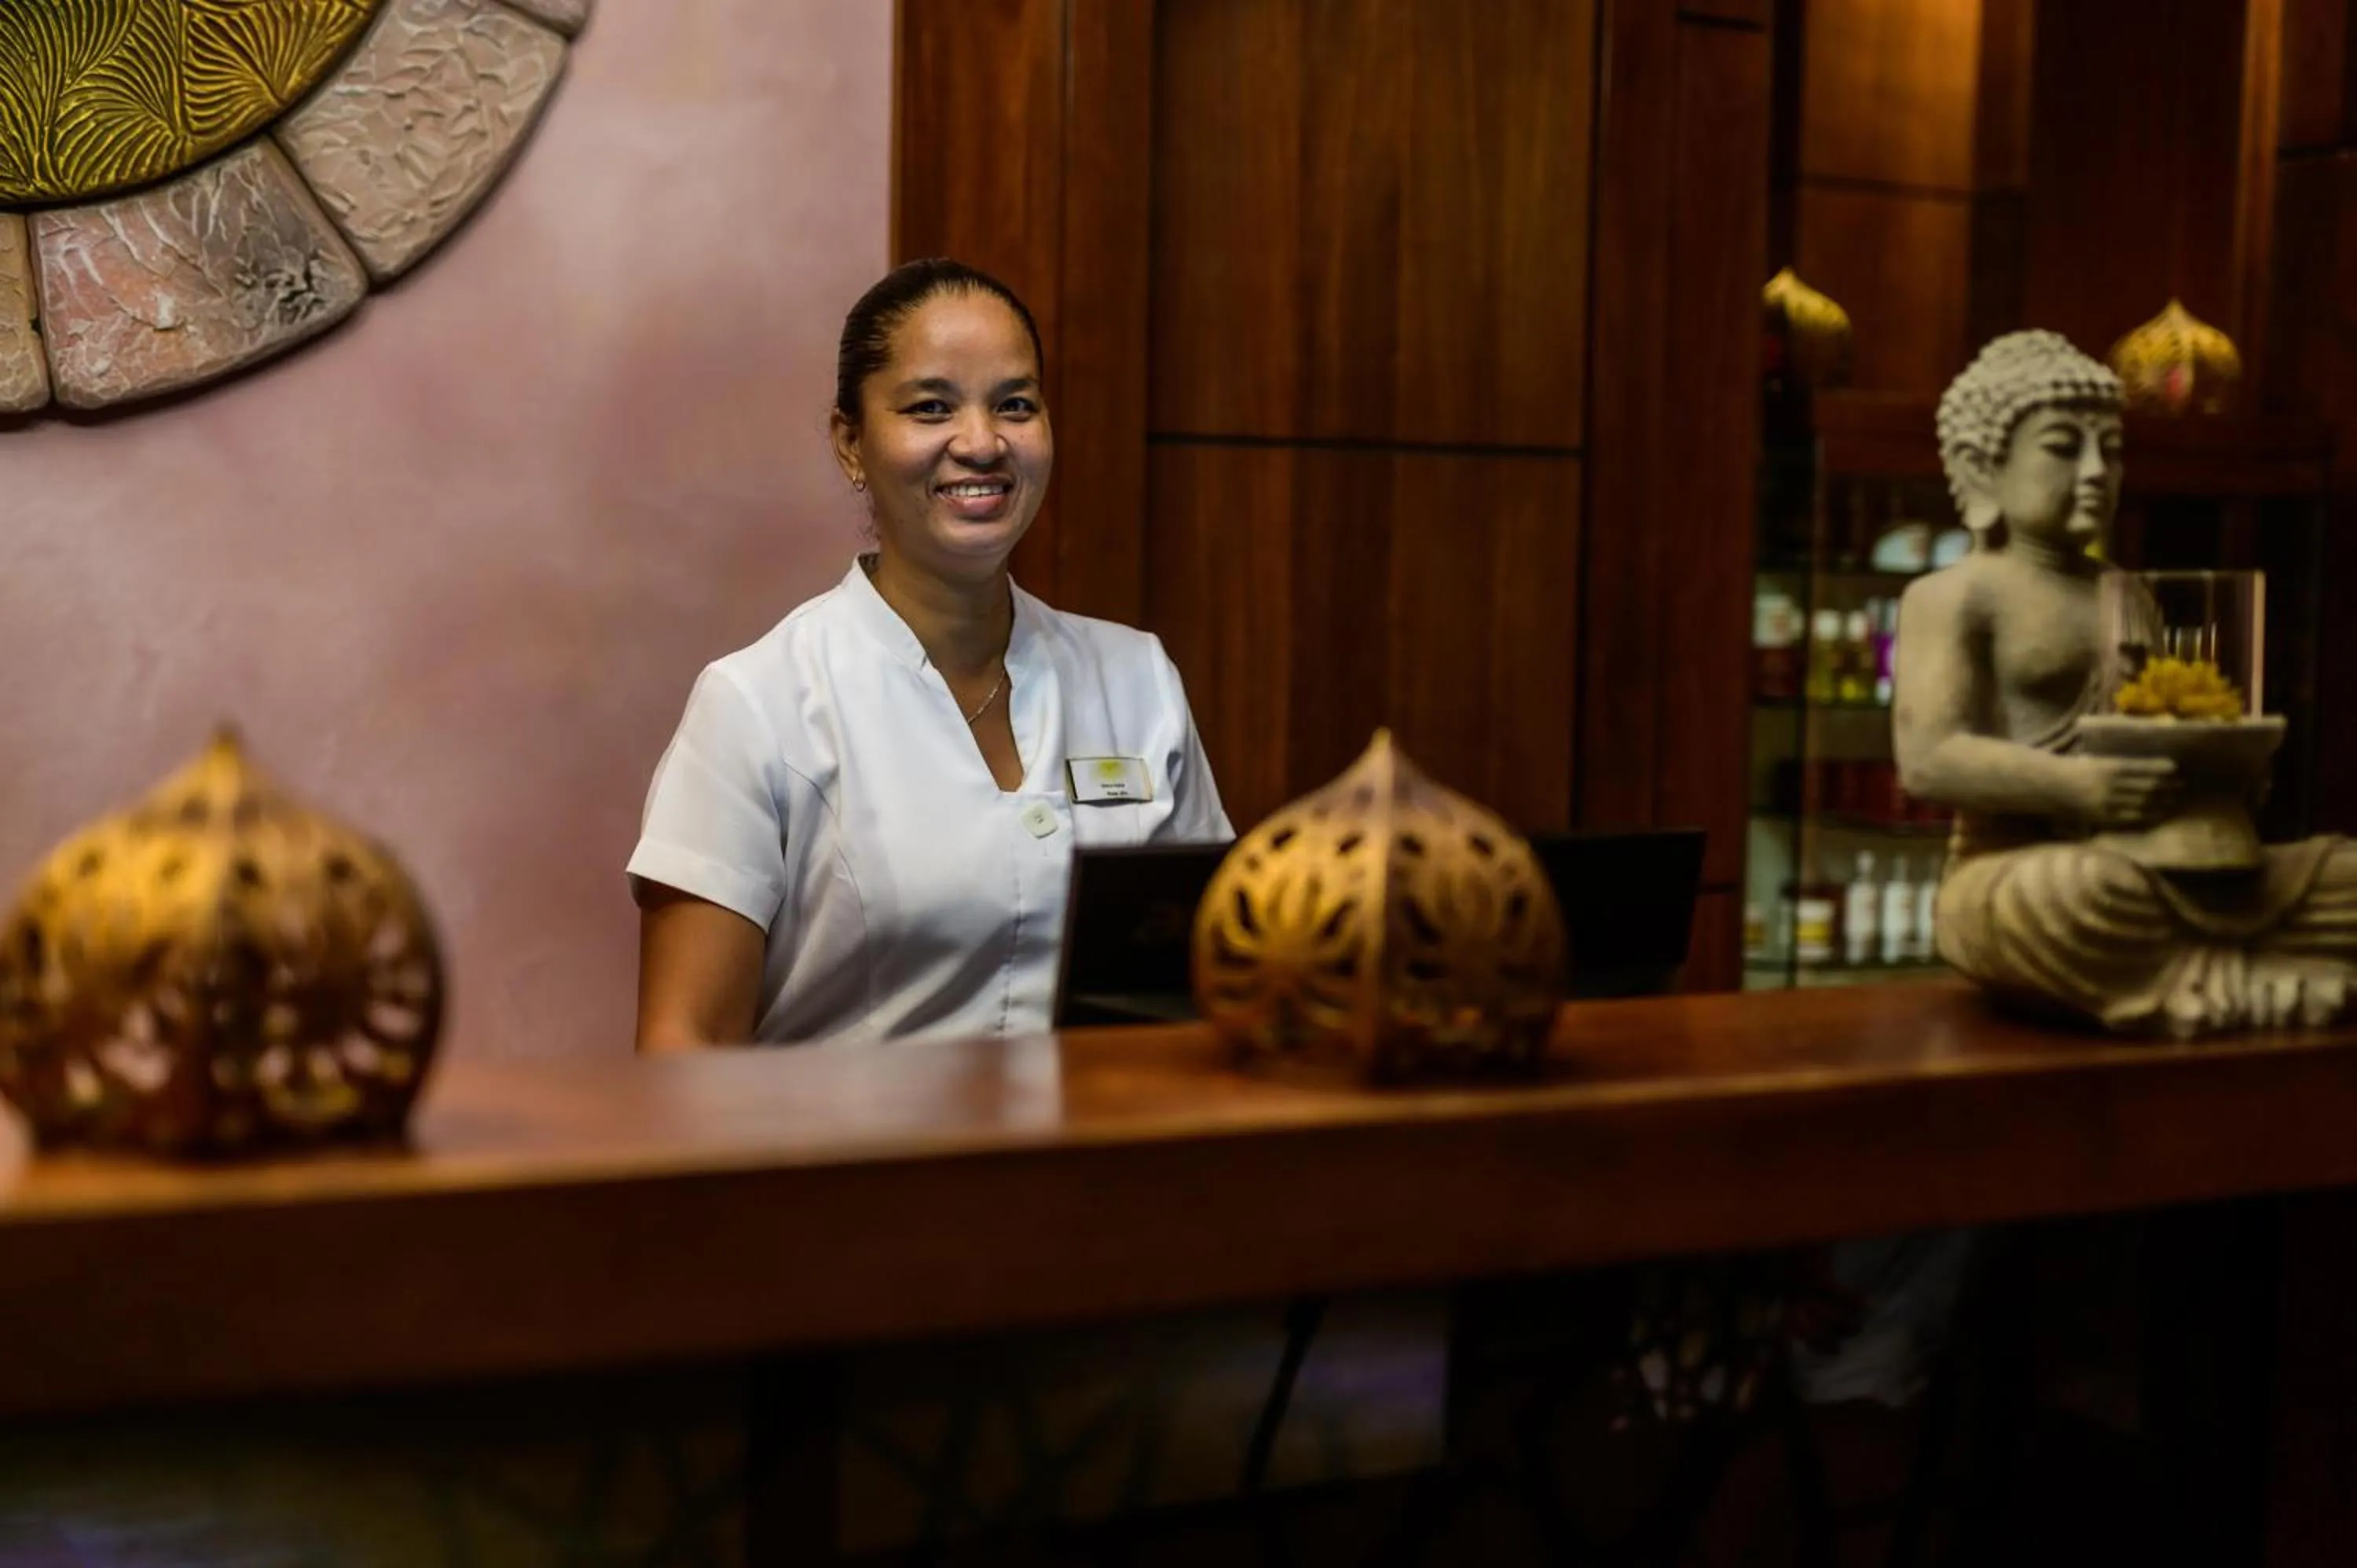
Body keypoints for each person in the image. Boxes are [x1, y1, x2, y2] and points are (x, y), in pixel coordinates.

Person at [629, 258, 1231, 1051]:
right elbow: (686, 1050)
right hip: (848, 1172)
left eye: (1015, 404)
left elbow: (1211, 986)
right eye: (930, 407)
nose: (982, 442)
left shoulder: (1138, 680)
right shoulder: (758, 705)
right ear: (852, 443)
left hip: (1092, 1167)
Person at [1894, 329, 2355, 1035]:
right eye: (2062, 447)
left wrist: (2221, 768)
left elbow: (2154, 728)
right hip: (2019, 864)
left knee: (2343, 875)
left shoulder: (2127, 593)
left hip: (2155, 851)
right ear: (1982, 468)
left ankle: (2208, 979)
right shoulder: (1955, 596)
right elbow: (1928, 759)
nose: (2095, 471)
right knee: (2075, 896)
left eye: (2111, 451)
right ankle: (2233, 981)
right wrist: (2077, 788)